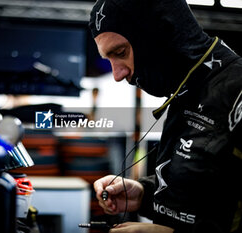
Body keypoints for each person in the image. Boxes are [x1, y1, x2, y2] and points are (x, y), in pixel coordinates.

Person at [89, 0, 242, 232]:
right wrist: (144, 192)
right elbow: (211, 191)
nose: (117, 74)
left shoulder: (236, 90)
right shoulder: (186, 89)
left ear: (159, 33)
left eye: (120, 53)